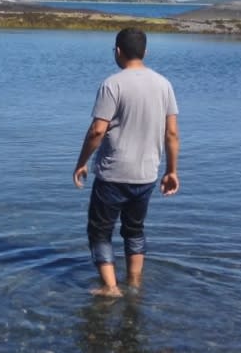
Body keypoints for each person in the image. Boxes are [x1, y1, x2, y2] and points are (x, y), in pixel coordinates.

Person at [73, 28, 180, 298]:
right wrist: (171, 171)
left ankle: (110, 288)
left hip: (112, 173)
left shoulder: (113, 84)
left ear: (118, 51)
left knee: (100, 231)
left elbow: (98, 130)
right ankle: (134, 283)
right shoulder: (163, 84)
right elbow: (172, 133)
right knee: (134, 230)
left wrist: (81, 162)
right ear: (145, 52)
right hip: (146, 175)